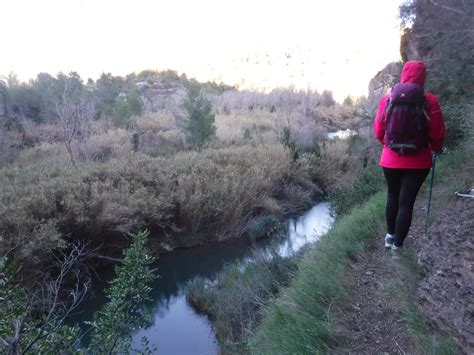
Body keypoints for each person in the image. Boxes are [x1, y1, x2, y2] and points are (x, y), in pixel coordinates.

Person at [373, 61, 445, 252]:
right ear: (423, 77)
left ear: (403, 75)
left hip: (390, 159)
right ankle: (398, 246)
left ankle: (389, 237)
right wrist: (436, 148)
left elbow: (378, 131)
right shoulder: (429, 100)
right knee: (407, 202)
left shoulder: (388, 99)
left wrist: (390, 146)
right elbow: (437, 132)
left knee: (392, 195)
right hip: (419, 161)